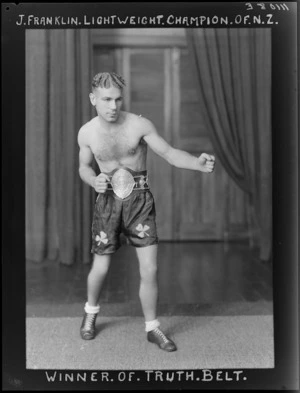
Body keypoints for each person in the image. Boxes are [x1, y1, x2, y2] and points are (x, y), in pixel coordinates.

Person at [77, 72, 215, 352]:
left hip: (140, 203)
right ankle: (91, 311)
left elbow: (170, 153)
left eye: (117, 99)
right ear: (93, 99)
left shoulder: (139, 125)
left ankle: (152, 328)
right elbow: (83, 167)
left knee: (150, 269)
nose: (113, 106)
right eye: (106, 100)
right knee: (101, 268)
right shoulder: (87, 132)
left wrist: (197, 163)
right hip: (107, 203)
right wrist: (94, 180)